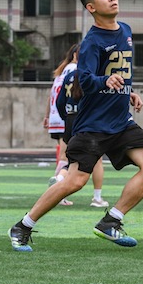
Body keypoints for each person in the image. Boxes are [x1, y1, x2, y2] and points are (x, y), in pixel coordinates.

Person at [8, 0, 143, 252]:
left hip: (121, 122)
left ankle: (111, 221)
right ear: (91, 7)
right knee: (75, 182)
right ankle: (23, 226)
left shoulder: (125, 31)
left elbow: (120, 75)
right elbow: (86, 80)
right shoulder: (91, 42)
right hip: (93, 125)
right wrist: (106, 82)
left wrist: (129, 92)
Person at [49, 55, 109, 209]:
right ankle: (97, 197)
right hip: (86, 121)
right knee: (97, 160)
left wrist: (66, 117)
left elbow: (60, 101)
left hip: (70, 119)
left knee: (69, 157)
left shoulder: (69, 75)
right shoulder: (93, 77)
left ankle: (59, 178)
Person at [43, 43, 78, 206]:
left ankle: (59, 187)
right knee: (67, 157)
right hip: (68, 116)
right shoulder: (73, 70)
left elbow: (53, 96)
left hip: (58, 116)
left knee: (64, 155)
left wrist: (47, 116)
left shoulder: (61, 72)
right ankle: (58, 187)